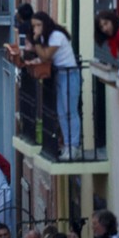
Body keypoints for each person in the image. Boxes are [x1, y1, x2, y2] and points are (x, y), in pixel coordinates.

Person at [28, 12, 81, 160]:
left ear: (46, 24)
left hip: (70, 75)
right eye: (34, 26)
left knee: (70, 111)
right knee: (61, 112)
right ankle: (67, 145)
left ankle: (74, 145)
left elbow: (46, 56)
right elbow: (44, 57)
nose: (36, 28)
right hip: (60, 75)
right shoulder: (46, 38)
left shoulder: (56, 36)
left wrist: (36, 41)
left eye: (39, 25)